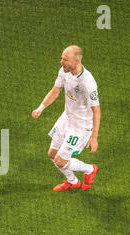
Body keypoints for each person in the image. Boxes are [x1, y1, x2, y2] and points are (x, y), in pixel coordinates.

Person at [32, 45, 100, 191]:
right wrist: (40, 108)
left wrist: (94, 137)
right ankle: (73, 181)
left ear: (76, 61)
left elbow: (97, 111)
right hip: (66, 118)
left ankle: (90, 170)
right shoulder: (64, 72)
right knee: (52, 154)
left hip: (80, 127)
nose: (61, 62)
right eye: (61, 58)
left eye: (65, 59)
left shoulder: (87, 83)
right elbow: (55, 91)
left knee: (61, 161)